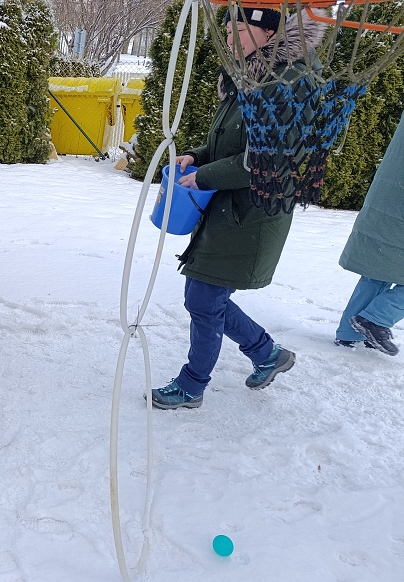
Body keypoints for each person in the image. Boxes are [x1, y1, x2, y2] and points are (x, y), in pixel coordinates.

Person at [151, 8, 325, 409]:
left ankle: (193, 386)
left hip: (253, 215)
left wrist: (206, 176)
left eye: (238, 29)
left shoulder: (289, 82)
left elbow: (268, 160)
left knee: (203, 299)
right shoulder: (247, 74)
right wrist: (196, 157)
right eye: (227, 28)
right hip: (229, 209)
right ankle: (267, 354)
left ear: (268, 33)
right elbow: (230, 143)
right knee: (203, 296)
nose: (229, 35)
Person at [334, 110, 404, 356]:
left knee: (378, 271)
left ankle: (349, 333)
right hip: (399, 207)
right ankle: (375, 320)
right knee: (382, 270)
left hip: (388, 200)